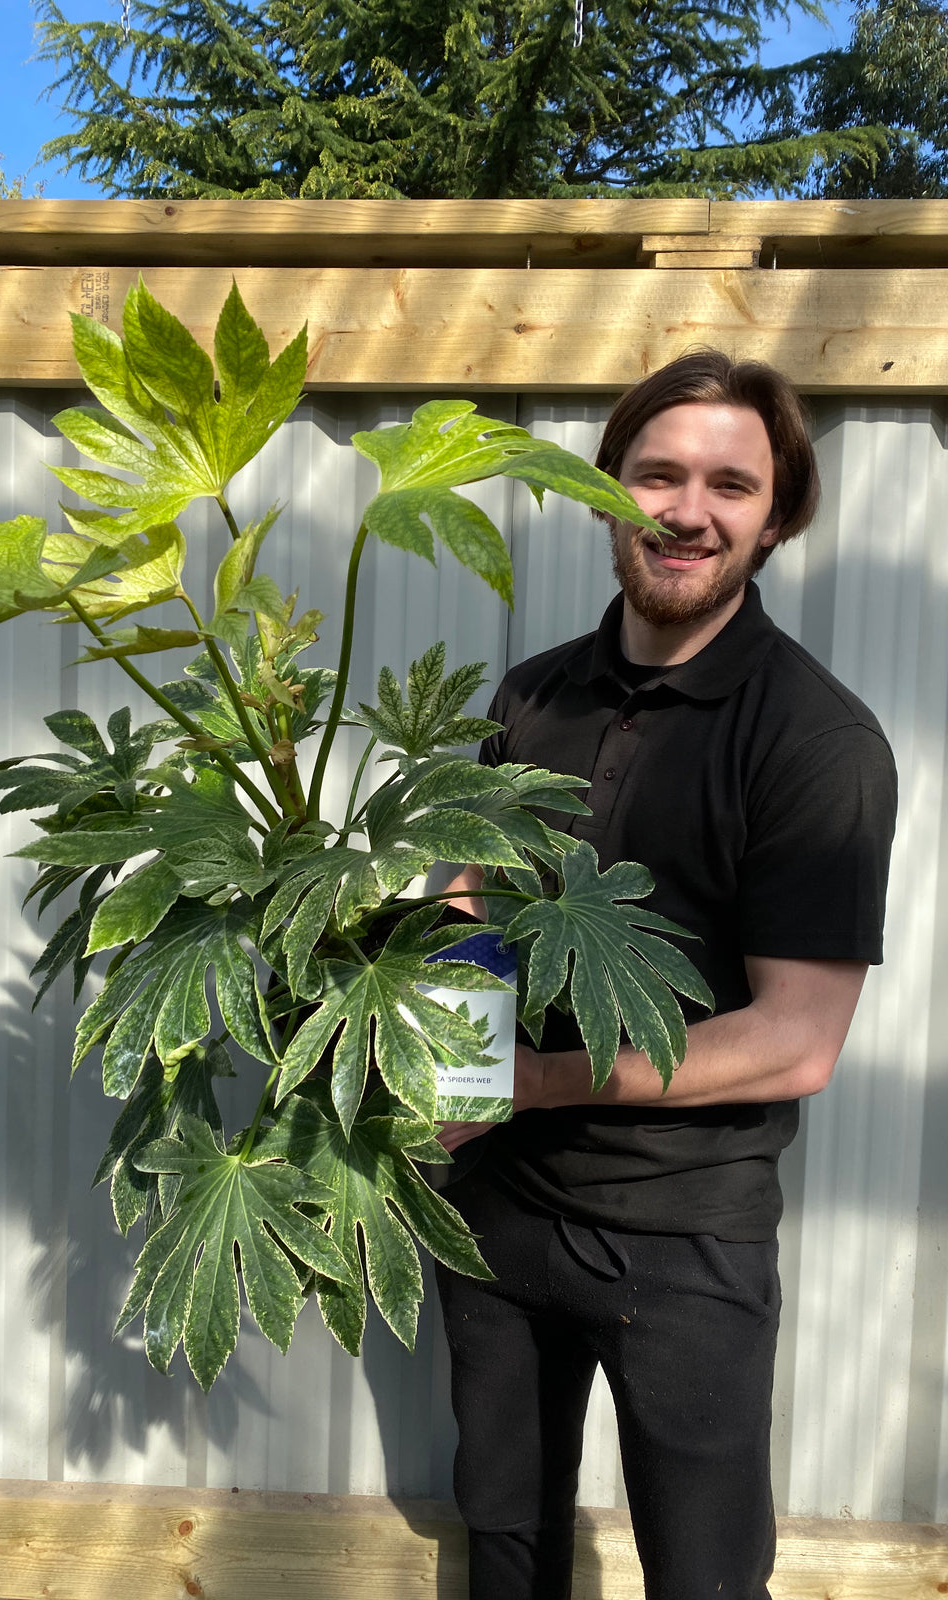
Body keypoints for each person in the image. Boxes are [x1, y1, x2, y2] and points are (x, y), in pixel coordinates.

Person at [434, 351, 898, 1600]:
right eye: (660, 473)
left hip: (684, 1231)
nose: (688, 510)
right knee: (507, 1544)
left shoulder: (816, 738)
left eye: (731, 485)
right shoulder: (530, 696)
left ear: (777, 516)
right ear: (608, 492)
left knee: (702, 1574)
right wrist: (437, 1052)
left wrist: (525, 1078)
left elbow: (796, 1038)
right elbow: (468, 895)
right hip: (496, 1205)